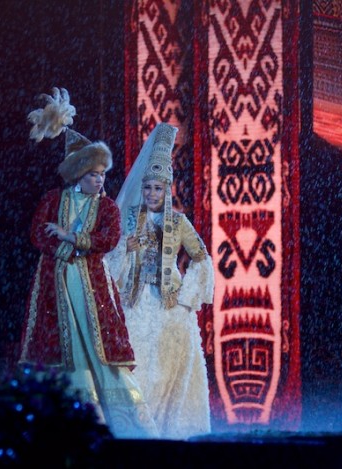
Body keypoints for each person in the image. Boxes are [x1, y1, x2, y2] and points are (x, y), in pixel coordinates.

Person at [17, 87, 158, 439]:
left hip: (92, 286)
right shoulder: (53, 200)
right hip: (56, 284)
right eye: (93, 174)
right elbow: (37, 233)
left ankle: (123, 424)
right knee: (63, 351)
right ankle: (68, 420)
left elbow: (109, 239)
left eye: (102, 174)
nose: (100, 179)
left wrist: (72, 237)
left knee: (100, 349)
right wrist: (64, 246)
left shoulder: (106, 207)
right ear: (77, 174)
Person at [105, 122, 215, 440]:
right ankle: (137, 429)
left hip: (169, 306)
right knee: (136, 366)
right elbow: (111, 263)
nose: (152, 194)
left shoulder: (179, 223)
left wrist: (187, 297)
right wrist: (126, 249)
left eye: (158, 188)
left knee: (168, 370)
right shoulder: (129, 220)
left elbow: (201, 257)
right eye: (148, 188)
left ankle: (168, 433)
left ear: (167, 190)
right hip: (135, 302)